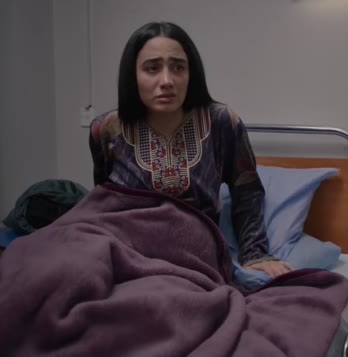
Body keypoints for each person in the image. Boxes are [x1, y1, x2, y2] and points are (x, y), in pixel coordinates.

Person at [89, 21, 293, 278]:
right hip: (126, 253)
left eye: (178, 67)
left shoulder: (221, 122)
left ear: (191, 73)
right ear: (133, 75)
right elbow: (103, 200)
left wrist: (254, 253)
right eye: (152, 68)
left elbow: (247, 191)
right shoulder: (106, 129)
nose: (167, 81)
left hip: (196, 255)